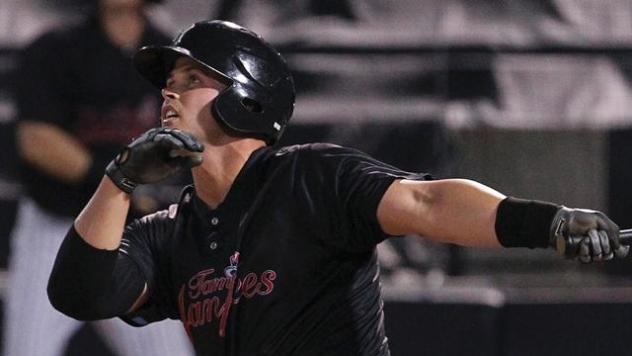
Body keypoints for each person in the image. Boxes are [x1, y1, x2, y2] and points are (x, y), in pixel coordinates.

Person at [47, 20, 629, 356]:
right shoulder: (171, 233)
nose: (169, 95)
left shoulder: (310, 177)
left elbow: (426, 201)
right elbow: (82, 295)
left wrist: (545, 221)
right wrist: (119, 180)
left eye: (192, 80)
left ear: (244, 94)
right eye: (168, 84)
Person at [5, 0, 194, 355]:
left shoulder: (171, 57)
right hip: (56, 227)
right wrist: (121, 180)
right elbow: (37, 142)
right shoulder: (56, 48)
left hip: (135, 235)